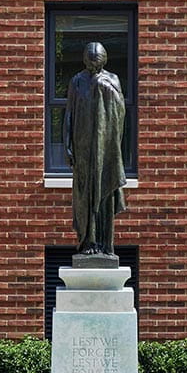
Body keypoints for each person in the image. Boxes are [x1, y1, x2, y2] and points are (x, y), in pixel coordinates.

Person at [63, 42, 127, 257]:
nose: (93, 67)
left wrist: (105, 87)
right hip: (82, 148)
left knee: (104, 196)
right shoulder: (77, 81)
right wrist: (67, 145)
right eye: (90, 63)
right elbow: (69, 114)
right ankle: (87, 241)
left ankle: (105, 244)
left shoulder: (112, 79)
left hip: (105, 149)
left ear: (104, 60)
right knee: (84, 196)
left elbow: (120, 110)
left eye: (97, 63)